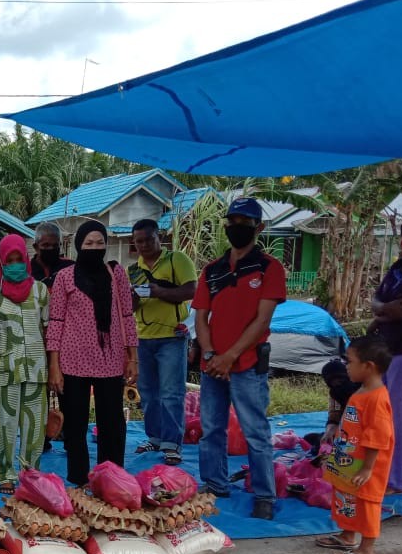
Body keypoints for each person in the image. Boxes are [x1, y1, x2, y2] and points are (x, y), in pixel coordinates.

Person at [192, 197, 286, 520]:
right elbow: (201, 318)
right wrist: (209, 355)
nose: (236, 228)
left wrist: (230, 356)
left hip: (246, 365)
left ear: (258, 228)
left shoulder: (269, 268)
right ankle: (215, 484)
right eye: (232, 221)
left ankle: (264, 495)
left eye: (244, 223)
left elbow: (262, 321)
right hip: (213, 365)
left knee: (255, 431)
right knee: (211, 429)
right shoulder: (212, 270)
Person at [46, 220, 138, 486]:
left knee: (112, 423)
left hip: (110, 359)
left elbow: (126, 315)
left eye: (100, 243)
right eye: (89, 243)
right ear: (78, 246)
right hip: (72, 361)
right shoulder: (65, 277)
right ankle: (78, 478)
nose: (95, 248)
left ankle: (110, 477)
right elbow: (56, 322)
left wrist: (133, 357)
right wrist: (54, 364)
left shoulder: (116, 274)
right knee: (75, 425)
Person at [0, 234, 49, 494]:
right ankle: (5, 473)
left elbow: (47, 332)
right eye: (10, 260)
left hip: (36, 368)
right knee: (5, 424)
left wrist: (54, 367)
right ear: (1, 262)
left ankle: (31, 474)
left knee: (34, 424)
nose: (16, 264)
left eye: (20, 259)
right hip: (5, 368)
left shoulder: (40, 291)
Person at [316, 335, 395, 554]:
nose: (345, 366)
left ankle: (367, 549)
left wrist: (369, 468)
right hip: (348, 458)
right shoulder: (360, 391)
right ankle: (347, 535)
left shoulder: (378, 398)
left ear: (368, 366)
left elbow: (379, 436)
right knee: (345, 495)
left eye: (349, 361)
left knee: (367, 501)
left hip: (366, 465)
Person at [127, 219, 197, 466]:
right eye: (139, 241)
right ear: (134, 243)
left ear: (159, 237)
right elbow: (131, 307)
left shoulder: (177, 260)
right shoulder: (133, 269)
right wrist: (134, 297)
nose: (145, 244)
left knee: (171, 393)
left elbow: (192, 291)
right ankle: (155, 437)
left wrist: (158, 292)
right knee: (148, 393)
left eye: (149, 239)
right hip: (142, 337)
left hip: (172, 336)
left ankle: (171, 443)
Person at [369, 213, 402, 495]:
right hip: (386, 347)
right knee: (382, 416)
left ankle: (398, 479)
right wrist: (384, 310)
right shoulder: (399, 267)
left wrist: (380, 311)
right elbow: (378, 301)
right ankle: (385, 471)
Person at [30, 222, 73, 288]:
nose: (51, 248)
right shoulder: (27, 271)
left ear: (60, 245)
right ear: (36, 247)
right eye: (46, 245)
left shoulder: (70, 267)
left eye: (55, 245)